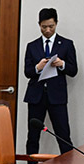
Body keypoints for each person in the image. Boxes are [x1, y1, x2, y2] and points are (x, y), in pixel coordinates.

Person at [23, 7, 77, 155]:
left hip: (57, 96)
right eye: (44, 27)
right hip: (36, 97)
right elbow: (27, 72)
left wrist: (62, 64)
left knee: (63, 135)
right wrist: (37, 67)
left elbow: (73, 71)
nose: (47, 30)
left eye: (51, 26)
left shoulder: (66, 44)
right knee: (33, 136)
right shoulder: (32, 46)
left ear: (56, 24)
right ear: (39, 24)